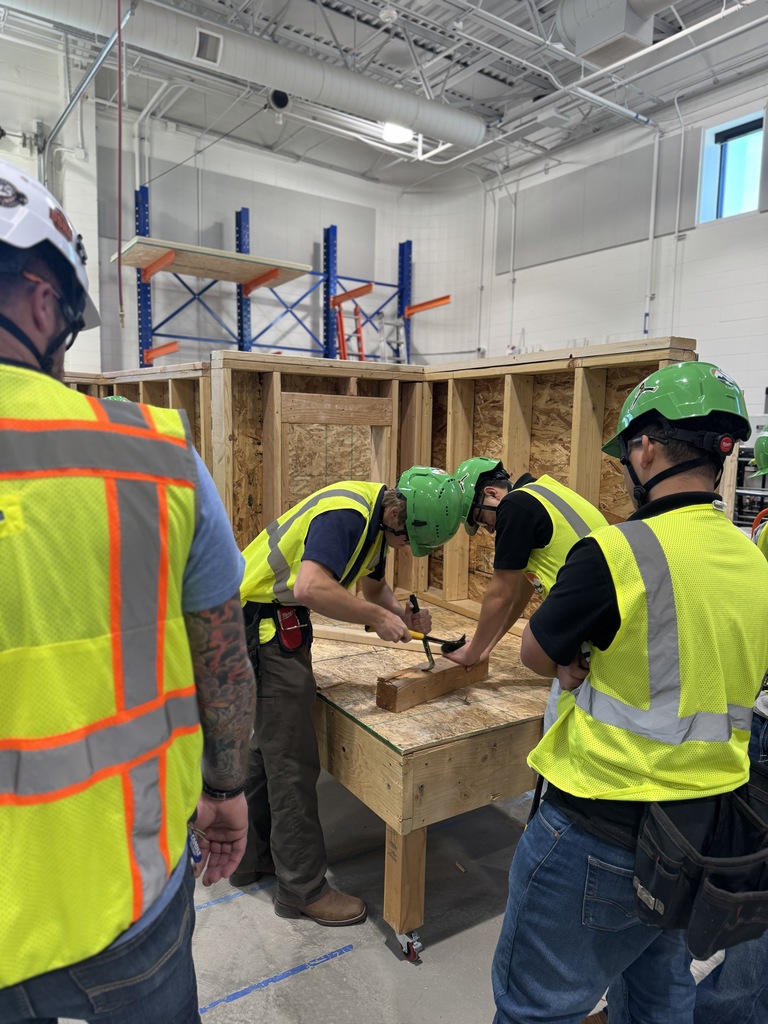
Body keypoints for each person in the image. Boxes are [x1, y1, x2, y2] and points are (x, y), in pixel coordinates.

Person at [0, 159, 256, 1024]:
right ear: (43, 301)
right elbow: (224, 661)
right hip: (124, 905)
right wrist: (225, 790)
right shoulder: (153, 457)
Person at [491, 361, 768, 1024]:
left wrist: (570, 659)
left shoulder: (616, 552)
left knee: (537, 1007)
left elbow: (536, 654)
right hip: (699, 833)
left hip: (599, 830)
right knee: (659, 996)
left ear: (645, 448)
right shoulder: (751, 558)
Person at [235, 465, 463, 926]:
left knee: (268, 748)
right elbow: (311, 587)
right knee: (293, 761)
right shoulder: (348, 515)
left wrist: (400, 615)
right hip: (259, 624)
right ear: (400, 514)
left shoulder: (380, 518)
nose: (404, 549)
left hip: (271, 621)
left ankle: (253, 856)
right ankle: (303, 889)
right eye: (407, 539)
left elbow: (373, 586)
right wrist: (375, 620)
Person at [444, 456, 607, 731]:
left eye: (481, 519)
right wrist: (485, 648)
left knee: (560, 723)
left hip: (594, 630)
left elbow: (500, 595)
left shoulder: (515, 506)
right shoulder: (542, 494)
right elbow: (519, 593)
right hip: (605, 616)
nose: (489, 529)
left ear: (491, 493)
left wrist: (471, 653)